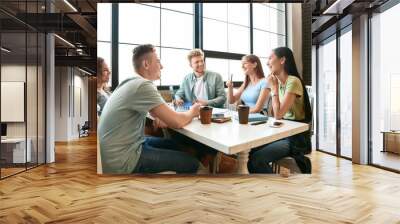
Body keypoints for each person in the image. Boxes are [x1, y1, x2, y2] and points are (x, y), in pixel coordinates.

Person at [98, 44, 202, 174]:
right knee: (191, 163)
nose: (162, 66)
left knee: (174, 145)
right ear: (146, 64)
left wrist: (164, 118)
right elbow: (177, 121)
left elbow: (157, 114)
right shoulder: (142, 85)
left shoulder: (131, 82)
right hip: (124, 160)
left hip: (119, 150)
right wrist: (194, 111)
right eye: (158, 61)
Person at [248, 47, 312, 174]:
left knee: (257, 159)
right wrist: (272, 87)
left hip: (295, 138)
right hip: (282, 132)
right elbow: (273, 113)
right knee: (251, 150)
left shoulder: (293, 81)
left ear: (282, 60)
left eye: (270, 58)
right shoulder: (279, 82)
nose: (267, 63)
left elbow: (278, 114)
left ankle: (274, 189)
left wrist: (274, 89)